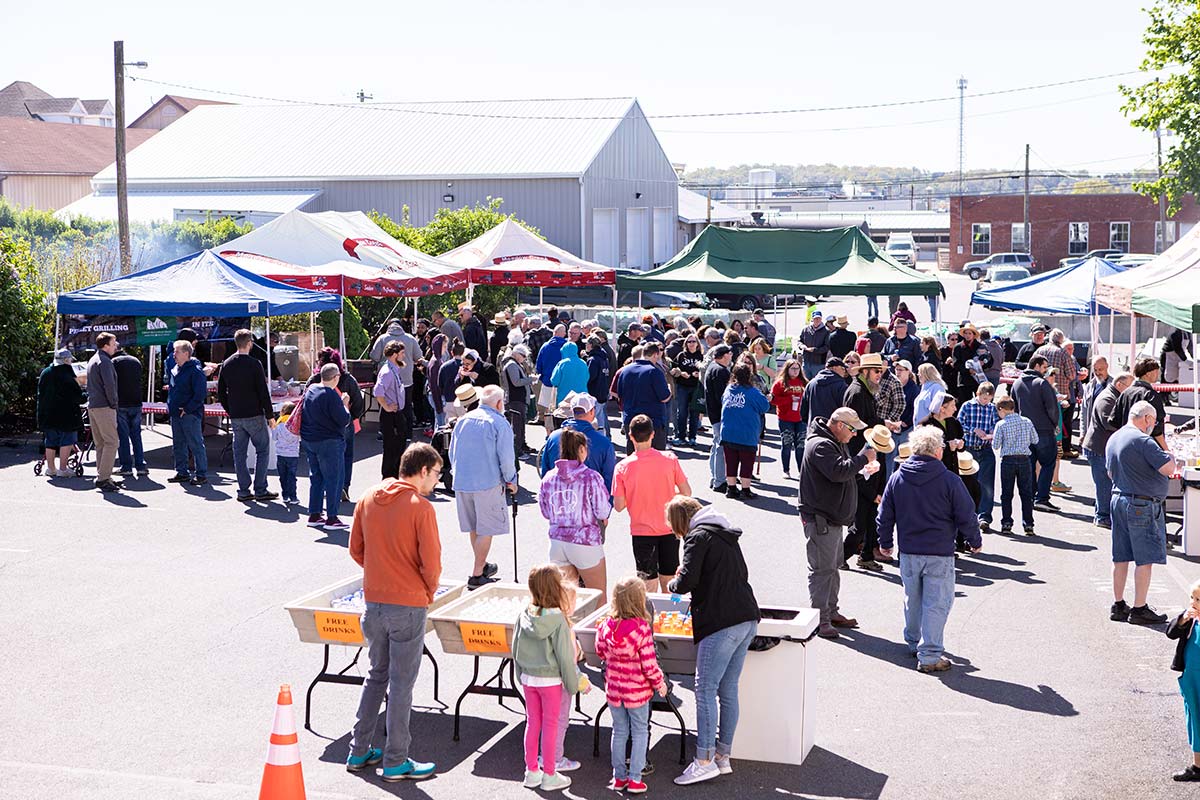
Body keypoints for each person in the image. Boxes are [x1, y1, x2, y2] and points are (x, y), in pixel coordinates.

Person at [345, 443, 443, 782]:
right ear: (422, 470)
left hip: (374, 601)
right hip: (408, 603)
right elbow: (431, 563)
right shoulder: (421, 507)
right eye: (436, 474)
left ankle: (359, 749)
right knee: (402, 684)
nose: (436, 481)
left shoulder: (368, 498)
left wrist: (379, 573)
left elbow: (356, 549)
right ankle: (396, 759)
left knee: (376, 675)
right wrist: (425, 591)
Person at [666, 496, 760, 786]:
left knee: (704, 688)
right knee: (728, 688)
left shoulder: (697, 538)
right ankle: (723, 756)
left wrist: (674, 582)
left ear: (680, 521)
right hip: (747, 617)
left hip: (721, 622)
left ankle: (704, 760)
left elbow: (686, 582)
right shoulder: (724, 531)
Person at [877, 425, 981, 673]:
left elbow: (885, 514)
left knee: (912, 598)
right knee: (936, 602)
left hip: (909, 550)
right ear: (936, 451)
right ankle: (930, 654)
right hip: (939, 551)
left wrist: (885, 542)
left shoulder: (898, 477)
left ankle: (915, 642)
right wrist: (974, 540)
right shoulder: (949, 480)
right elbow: (966, 514)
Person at [798, 407, 875, 639]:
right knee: (823, 570)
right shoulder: (821, 445)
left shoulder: (831, 441)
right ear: (840, 425)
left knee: (832, 567)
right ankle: (820, 619)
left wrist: (862, 468)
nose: (854, 435)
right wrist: (863, 459)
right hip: (821, 517)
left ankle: (830, 611)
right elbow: (839, 472)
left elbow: (842, 472)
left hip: (830, 517)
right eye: (852, 430)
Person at [596, 576, 667, 793]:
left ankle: (619, 777)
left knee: (619, 731)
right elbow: (649, 664)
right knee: (639, 732)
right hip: (637, 692)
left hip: (615, 690)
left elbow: (600, 651)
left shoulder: (606, 626)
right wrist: (660, 683)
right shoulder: (642, 629)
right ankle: (635, 778)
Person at [1107, 400, 1175, 626]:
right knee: (1144, 559)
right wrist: (1169, 453)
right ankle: (1139, 608)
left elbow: (1110, 473)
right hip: (1140, 503)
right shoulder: (1143, 440)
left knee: (1121, 556)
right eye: (1153, 422)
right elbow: (1168, 468)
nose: (1152, 426)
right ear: (1146, 418)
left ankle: (1118, 605)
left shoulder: (1114, 438)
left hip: (1118, 499)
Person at [513, 564, 580, 792]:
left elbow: (515, 648)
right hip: (551, 681)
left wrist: (519, 674)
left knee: (532, 723)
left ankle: (531, 770)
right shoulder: (558, 620)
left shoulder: (524, 614)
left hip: (528, 678)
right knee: (551, 726)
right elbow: (564, 657)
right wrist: (572, 684)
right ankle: (550, 773)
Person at [613, 415, 691, 593]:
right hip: (670, 528)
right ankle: (671, 618)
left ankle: (649, 619)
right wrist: (669, 494)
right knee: (670, 580)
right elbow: (687, 492)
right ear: (653, 435)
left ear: (630, 436)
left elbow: (618, 506)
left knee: (647, 583)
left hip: (641, 531)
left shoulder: (622, 467)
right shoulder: (670, 459)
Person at [449, 385, 517, 588]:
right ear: (498, 403)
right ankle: (477, 574)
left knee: (475, 527)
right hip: (487, 482)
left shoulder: (463, 420)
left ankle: (482, 565)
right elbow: (506, 458)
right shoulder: (499, 422)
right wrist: (511, 480)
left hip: (462, 481)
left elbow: (452, 452)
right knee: (486, 527)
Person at [538, 429, 612, 602]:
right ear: (581, 449)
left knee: (567, 601)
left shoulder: (549, 478)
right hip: (585, 541)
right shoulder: (591, 477)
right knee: (598, 599)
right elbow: (602, 510)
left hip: (557, 542)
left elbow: (545, 511)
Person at [218, 329, 279, 502]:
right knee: (262, 450)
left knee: (240, 453)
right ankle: (260, 489)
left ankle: (243, 490)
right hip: (254, 414)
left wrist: (229, 408)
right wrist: (269, 414)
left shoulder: (227, 364)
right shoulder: (255, 364)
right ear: (250, 343)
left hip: (236, 415)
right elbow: (262, 391)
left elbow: (221, 391)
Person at [307, 349, 364, 502]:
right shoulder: (348, 379)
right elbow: (358, 402)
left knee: (322, 459)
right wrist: (354, 416)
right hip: (344, 422)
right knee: (346, 456)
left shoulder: (314, 380)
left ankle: (327, 488)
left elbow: (305, 401)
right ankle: (343, 487)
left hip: (319, 426)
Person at [302, 363, 351, 530]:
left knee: (316, 477)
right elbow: (344, 420)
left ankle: (315, 514)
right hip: (329, 441)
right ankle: (332, 517)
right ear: (335, 377)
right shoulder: (331, 395)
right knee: (334, 479)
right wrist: (344, 403)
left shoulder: (312, 389)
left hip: (310, 439)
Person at [1083, 372, 1134, 529]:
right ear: (1120, 385)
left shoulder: (1112, 396)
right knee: (1104, 484)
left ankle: (1102, 513)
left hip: (1099, 446)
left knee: (1105, 483)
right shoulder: (1108, 399)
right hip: (1098, 448)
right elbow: (1108, 423)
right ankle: (1102, 516)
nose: (1131, 391)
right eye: (1129, 387)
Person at [1011, 355, 1061, 511]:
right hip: (1044, 430)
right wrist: (1054, 425)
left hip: (1025, 431)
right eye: (1045, 367)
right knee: (1047, 463)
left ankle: (1031, 496)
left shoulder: (1017, 383)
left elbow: (1013, 407)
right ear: (1037, 366)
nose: (1046, 370)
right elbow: (1052, 408)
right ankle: (1042, 497)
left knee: (1030, 465)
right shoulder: (1042, 384)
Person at [539, 393, 616, 491]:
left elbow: (545, 473)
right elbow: (609, 480)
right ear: (592, 411)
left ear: (572, 411)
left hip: (558, 500)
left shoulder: (553, 437)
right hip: (591, 502)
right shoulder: (603, 443)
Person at [718, 362, 771, 499]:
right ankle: (745, 489)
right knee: (747, 462)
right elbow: (764, 407)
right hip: (747, 433)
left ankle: (731, 488)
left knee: (730, 461)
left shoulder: (728, 389)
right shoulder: (753, 392)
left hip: (728, 432)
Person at [1166, 580, 1200, 782]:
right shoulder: (1190, 619)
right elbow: (1171, 633)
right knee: (1194, 718)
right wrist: (1182, 620)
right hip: (1191, 675)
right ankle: (1197, 765)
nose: (1194, 603)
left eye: (1199, 600)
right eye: (1193, 598)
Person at [992, 397, 1039, 535]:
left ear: (1001, 410)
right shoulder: (1027, 421)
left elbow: (996, 445)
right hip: (1024, 459)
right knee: (1026, 493)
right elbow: (1035, 440)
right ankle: (1028, 524)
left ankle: (1007, 523)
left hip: (1008, 460)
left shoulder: (1001, 424)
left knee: (1006, 494)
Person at [166, 339, 208, 487]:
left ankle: (201, 474)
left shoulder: (195, 371)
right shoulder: (175, 368)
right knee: (178, 444)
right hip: (176, 413)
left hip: (189, 414)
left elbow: (200, 394)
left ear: (186, 353)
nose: (173, 354)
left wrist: (188, 409)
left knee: (195, 443)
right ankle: (181, 471)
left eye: (176, 351)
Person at [37, 348, 84, 479]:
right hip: (66, 414)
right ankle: (63, 469)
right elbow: (76, 396)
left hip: (47, 412)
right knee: (67, 439)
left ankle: (51, 468)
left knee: (50, 441)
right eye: (69, 360)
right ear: (65, 360)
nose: (70, 362)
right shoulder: (67, 374)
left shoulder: (45, 372)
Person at [958, 382, 999, 531]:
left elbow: (996, 424)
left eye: (988, 399)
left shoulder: (992, 409)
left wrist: (990, 434)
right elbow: (959, 423)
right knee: (969, 483)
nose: (985, 401)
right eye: (983, 398)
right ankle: (969, 515)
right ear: (977, 394)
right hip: (969, 449)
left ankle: (984, 517)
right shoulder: (967, 406)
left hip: (985, 448)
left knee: (987, 485)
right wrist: (973, 430)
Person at [617, 341, 671, 452]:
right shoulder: (655, 372)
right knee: (655, 459)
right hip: (652, 422)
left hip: (631, 420)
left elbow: (619, 395)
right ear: (656, 354)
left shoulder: (625, 370)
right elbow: (664, 397)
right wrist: (669, 389)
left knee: (633, 459)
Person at [87, 332, 121, 491]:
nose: (116, 346)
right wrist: (114, 404)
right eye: (114, 343)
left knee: (101, 443)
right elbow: (110, 386)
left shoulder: (94, 359)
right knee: (112, 442)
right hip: (104, 407)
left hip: (94, 405)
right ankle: (103, 478)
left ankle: (103, 475)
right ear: (106, 345)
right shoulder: (105, 361)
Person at [1109, 357, 1168, 451]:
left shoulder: (1125, 393)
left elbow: (1113, 420)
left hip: (1125, 444)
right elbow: (1157, 428)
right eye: (1156, 371)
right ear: (1148, 374)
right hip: (1146, 447)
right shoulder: (1151, 395)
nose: (1158, 374)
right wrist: (1166, 449)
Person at [1035, 328, 1077, 455]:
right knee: (1064, 423)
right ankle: (1065, 449)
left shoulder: (1039, 350)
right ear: (1061, 340)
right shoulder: (1063, 353)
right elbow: (1071, 375)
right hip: (1062, 393)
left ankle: (1047, 448)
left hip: (1041, 393)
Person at [373, 341, 409, 480]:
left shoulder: (394, 368)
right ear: (394, 355)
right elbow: (378, 391)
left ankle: (395, 476)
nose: (404, 356)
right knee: (391, 448)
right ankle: (388, 477)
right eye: (401, 353)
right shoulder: (387, 371)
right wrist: (386, 407)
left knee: (399, 446)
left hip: (397, 413)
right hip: (390, 415)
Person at [112, 346, 148, 477]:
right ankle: (141, 465)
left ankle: (126, 466)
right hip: (136, 402)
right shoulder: (135, 361)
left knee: (123, 437)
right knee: (136, 435)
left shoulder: (114, 362)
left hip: (121, 403)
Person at [703, 345, 734, 493]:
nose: (731, 356)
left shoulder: (712, 367)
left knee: (716, 445)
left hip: (713, 413)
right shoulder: (720, 371)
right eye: (729, 353)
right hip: (720, 414)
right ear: (724, 355)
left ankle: (715, 477)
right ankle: (720, 481)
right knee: (721, 447)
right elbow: (723, 397)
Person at [770, 358, 806, 478]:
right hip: (785, 418)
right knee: (786, 444)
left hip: (801, 418)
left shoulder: (804, 382)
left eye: (797, 368)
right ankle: (786, 470)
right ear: (787, 369)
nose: (795, 371)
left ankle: (801, 471)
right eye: (793, 369)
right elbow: (773, 400)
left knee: (800, 445)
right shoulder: (780, 383)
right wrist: (788, 399)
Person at [669, 334, 704, 445]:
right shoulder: (681, 355)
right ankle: (681, 436)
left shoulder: (701, 356)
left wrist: (698, 374)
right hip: (682, 386)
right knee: (682, 412)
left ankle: (692, 437)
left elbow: (705, 370)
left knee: (694, 412)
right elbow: (673, 368)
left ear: (697, 343)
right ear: (686, 344)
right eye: (689, 342)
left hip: (696, 387)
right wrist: (680, 373)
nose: (691, 344)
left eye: (693, 341)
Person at [501, 344, 535, 456]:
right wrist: (530, 379)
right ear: (516, 354)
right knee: (516, 427)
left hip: (518, 399)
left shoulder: (515, 364)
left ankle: (521, 446)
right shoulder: (512, 365)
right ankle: (517, 451)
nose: (524, 359)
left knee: (520, 425)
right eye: (523, 356)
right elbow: (516, 382)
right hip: (515, 399)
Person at [948, 324, 993, 406]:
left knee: (981, 403)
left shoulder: (980, 346)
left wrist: (983, 363)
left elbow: (990, 361)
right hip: (964, 381)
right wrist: (968, 370)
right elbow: (956, 364)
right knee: (965, 404)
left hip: (978, 380)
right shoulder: (958, 347)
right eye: (966, 333)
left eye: (970, 333)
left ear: (974, 335)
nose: (967, 335)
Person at [536, 325, 569, 432]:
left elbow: (538, 366)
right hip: (563, 384)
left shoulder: (545, 347)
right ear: (563, 333)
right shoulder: (566, 347)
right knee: (563, 409)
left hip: (547, 382)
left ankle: (549, 432)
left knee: (548, 410)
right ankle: (563, 431)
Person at [801, 357, 850, 425]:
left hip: (813, 428)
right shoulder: (841, 385)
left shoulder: (811, 383)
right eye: (842, 368)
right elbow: (845, 410)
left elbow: (803, 411)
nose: (844, 371)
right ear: (834, 368)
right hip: (833, 429)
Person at [272, 402, 302, 505]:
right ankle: (293, 497)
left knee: (283, 476)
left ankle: (285, 495)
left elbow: (274, 438)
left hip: (280, 454)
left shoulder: (278, 424)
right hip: (293, 455)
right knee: (292, 476)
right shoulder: (296, 425)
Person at [585, 335, 613, 437]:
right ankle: (604, 438)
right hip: (603, 392)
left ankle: (595, 440)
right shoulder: (604, 358)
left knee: (593, 420)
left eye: (587, 344)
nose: (586, 346)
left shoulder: (593, 360)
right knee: (601, 421)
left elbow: (590, 377)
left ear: (591, 345)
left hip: (594, 393)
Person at [799, 311, 829, 380]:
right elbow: (799, 341)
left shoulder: (826, 331)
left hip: (819, 363)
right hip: (806, 362)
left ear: (821, 319)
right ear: (812, 319)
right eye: (815, 318)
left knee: (817, 382)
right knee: (805, 382)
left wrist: (815, 350)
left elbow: (827, 347)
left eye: (819, 318)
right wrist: (801, 346)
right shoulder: (805, 330)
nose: (817, 320)